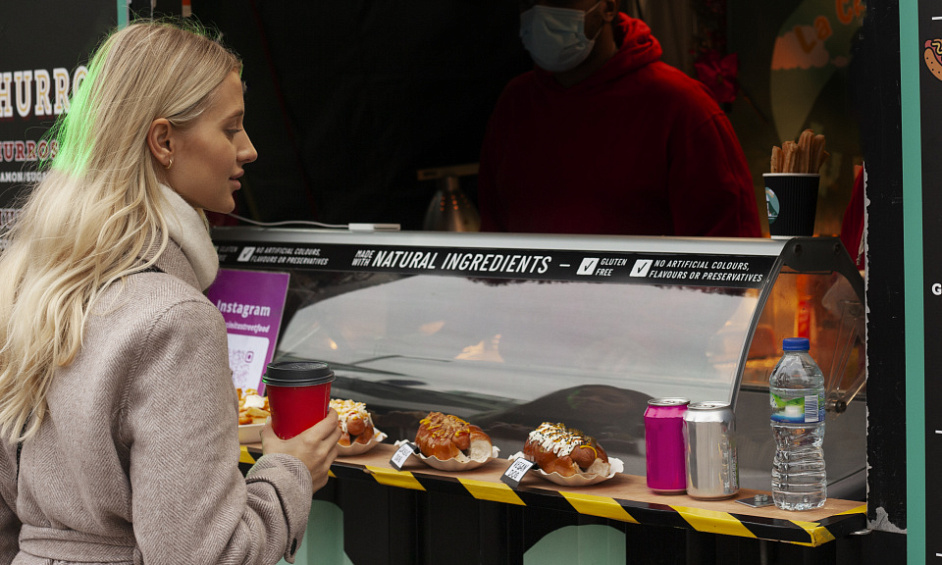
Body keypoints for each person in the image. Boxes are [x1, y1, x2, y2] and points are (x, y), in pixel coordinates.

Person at [0, 21, 340, 564]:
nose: (249, 150)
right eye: (231, 130)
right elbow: (206, 556)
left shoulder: (27, 284)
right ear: (163, 141)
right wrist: (289, 471)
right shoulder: (176, 318)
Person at [477, 0, 762, 237]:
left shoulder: (681, 107)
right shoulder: (515, 105)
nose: (541, 13)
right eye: (528, 2)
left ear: (609, 7)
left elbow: (730, 260)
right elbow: (492, 239)